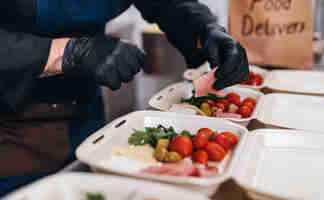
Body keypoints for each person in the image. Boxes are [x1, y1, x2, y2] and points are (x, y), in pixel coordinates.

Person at [0, 0, 249, 196]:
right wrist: (65, 53)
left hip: (83, 112)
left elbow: (168, 3)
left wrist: (203, 29)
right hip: (11, 126)